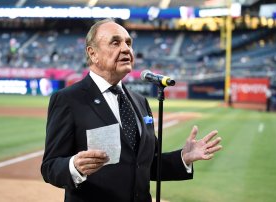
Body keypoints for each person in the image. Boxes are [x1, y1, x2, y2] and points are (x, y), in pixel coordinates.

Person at [41, 19, 222, 202]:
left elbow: (145, 164)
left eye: (128, 43)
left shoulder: (139, 101)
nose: (126, 49)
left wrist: (183, 157)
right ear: (92, 53)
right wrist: (75, 166)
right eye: (115, 42)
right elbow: (50, 167)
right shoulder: (68, 99)